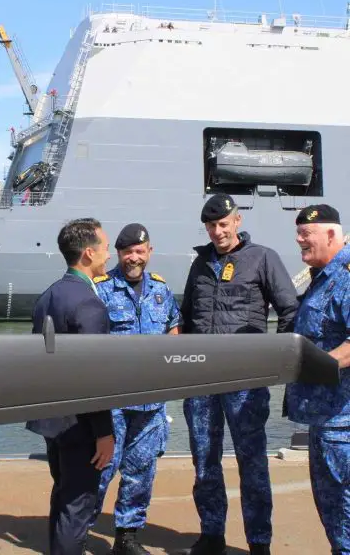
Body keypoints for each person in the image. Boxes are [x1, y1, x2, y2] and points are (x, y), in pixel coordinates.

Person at [179, 193, 298, 555]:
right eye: (211, 226)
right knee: (204, 461)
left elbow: (289, 311)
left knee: (253, 463)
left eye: (223, 224)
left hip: (246, 381)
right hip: (201, 380)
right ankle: (212, 534)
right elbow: (186, 318)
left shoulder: (262, 258)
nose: (218, 232)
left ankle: (259, 542)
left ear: (237, 221)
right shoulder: (200, 265)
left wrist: (275, 361)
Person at [90, 223, 181, 555]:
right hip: (113, 400)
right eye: (128, 252)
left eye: (140, 251)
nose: (134, 257)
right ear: (118, 254)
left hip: (151, 402)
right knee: (100, 469)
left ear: (149, 252)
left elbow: (173, 326)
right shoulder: (102, 289)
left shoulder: (161, 289)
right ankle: (78, 530)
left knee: (140, 472)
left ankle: (126, 537)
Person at [27, 217, 116, 555]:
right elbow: (94, 375)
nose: (109, 254)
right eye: (105, 247)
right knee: (78, 505)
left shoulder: (47, 296)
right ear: (89, 253)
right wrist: (104, 432)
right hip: (80, 425)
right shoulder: (89, 303)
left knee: (63, 495)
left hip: (52, 419)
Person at [284, 204, 350, 554]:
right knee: (332, 509)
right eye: (298, 233)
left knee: (344, 507)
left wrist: (312, 365)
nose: (299, 240)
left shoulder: (347, 278)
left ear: (331, 234)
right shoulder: (321, 279)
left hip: (343, 423)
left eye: (306, 233)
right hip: (324, 419)